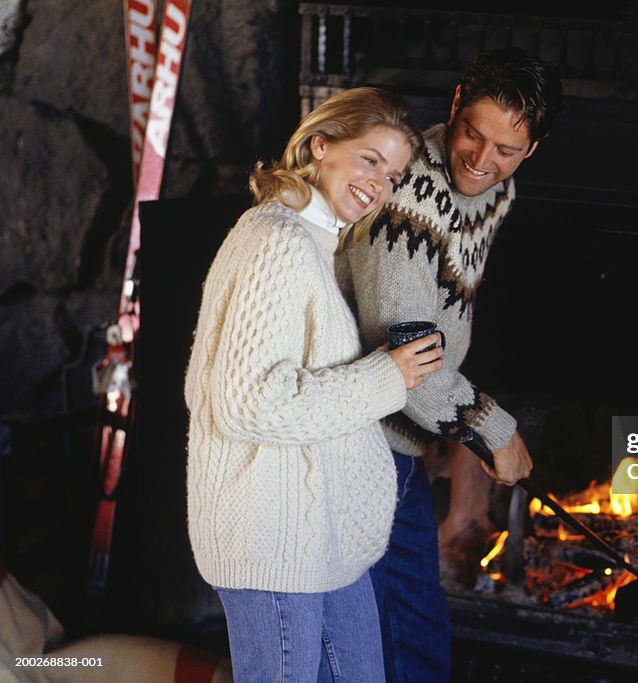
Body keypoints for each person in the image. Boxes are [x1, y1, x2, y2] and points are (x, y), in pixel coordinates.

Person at [184, 87, 444, 682]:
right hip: (271, 537)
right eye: (369, 160)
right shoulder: (276, 242)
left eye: (393, 174)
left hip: (319, 533)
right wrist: (389, 375)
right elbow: (248, 400)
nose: (378, 185)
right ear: (320, 145)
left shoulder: (313, 244)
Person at [335, 48, 563, 681]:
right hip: (359, 441)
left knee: (415, 628)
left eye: (506, 150)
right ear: (457, 100)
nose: (481, 160)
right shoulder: (411, 195)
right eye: (473, 133)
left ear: (531, 150)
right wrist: (493, 429)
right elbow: (406, 353)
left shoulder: (495, 189)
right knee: (387, 639)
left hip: (399, 441)